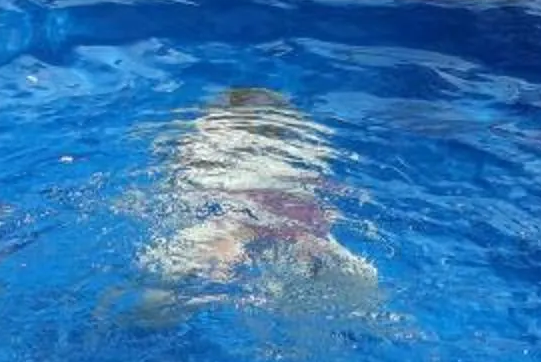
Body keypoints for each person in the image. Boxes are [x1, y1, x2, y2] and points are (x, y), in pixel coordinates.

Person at [137, 86, 377, 304]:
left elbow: (179, 180)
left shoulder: (207, 135)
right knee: (356, 286)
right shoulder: (308, 145)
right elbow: (325, 187)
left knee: (166, 287)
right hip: (303, 223)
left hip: (236, 220)